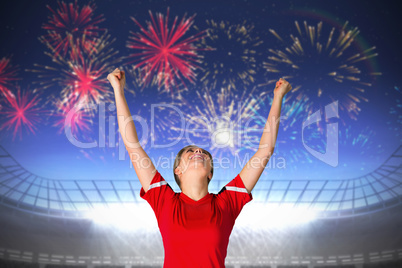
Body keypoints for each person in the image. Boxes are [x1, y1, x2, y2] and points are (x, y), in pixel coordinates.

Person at [107, 68, 292, 267]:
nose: (198, 152)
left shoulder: (226, 203)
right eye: (190, 152)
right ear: (178, 170)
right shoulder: (164, 200)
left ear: (210, 172)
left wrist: (278, 97)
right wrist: (118, 90)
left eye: (203, 153)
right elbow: (132, 145)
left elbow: (264, 152)